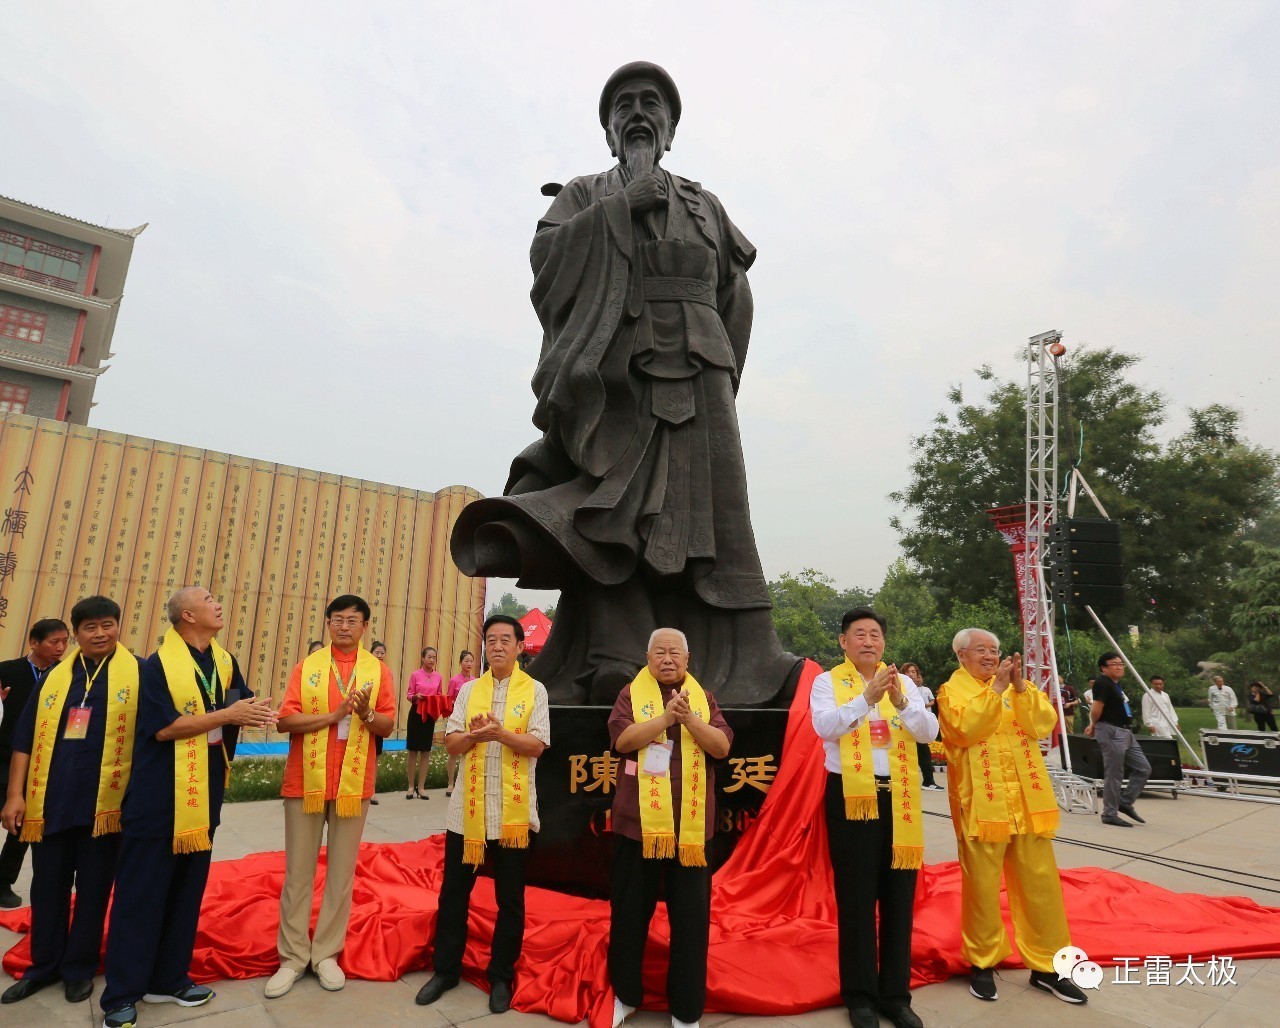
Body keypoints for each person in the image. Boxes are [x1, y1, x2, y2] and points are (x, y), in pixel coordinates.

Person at [450, 61, 800, 707]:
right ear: (610, 131)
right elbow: (546, 263)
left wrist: (723, 369)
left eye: (651, 104)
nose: (638, 112)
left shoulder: (705, 203)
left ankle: (747, 657)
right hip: (614, 377)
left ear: (669, 128)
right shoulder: (584, 193)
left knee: (713, 515)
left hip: (700, 373)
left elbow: (735, 293)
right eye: (625, 106)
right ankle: (614, 652)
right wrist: (618, 212)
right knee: (611, 510)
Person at [99, 588, 276, 1028]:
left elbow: (242, 705)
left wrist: (271, 714)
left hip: (203, 802)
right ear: (187, 614)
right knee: (141, 897)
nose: (218, 604)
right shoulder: (158, 666)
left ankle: (168, 979)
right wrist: (228, 715)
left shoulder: (223, 660)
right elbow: (164, 729)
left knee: (185, 894)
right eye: (209, 598)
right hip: (158, 802)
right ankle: (122, 993)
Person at [0, 597, 139, 1007]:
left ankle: (78, 969)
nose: (100, 634)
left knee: (94, 891)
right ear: (76, 634)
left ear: (118, 627)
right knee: (47, 889)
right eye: (90, 627)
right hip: (51, 805)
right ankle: (43, 967)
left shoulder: (139, 674)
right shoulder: (56, 679)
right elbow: (24, 739)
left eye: (107, 625)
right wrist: (14, 796)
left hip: (105, 809)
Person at [937, 629, 1087, 1006]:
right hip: (981, 806)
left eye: (995, 650)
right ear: (961, 656)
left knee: (1041, 886)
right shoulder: (951, 691)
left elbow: (1042, 724)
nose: (990, 657)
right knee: (983, 888)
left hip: (1026, 802)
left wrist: (1019, 688)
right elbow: (965, 729)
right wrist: (996, 690)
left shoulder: (1017, 687)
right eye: (981, 651)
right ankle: (982, 964)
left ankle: (1049, 967)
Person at [415, 615, 550, 1014]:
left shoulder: (535, 690)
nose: (497, 646)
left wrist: (501, 734)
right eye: (491, 640)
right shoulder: (469, 690)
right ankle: (446, 970)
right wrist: (474, 736)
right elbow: (453, 745)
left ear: (520, 646)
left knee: (510, 899)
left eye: (506, 639)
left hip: (513, 814)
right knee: (454, 893)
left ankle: (501, 977)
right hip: (466, 814)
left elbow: (538, 744)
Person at [264, 595, 395, 1000]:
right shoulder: (308, 669)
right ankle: (291, 957)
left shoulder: (378, 672)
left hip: (353, 786)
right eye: (337, 619)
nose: (344, 626)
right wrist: (335, 716)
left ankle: (325, 954)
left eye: (352, 620)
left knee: (341, 875)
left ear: (365, 626)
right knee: (298, 874)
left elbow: (388, 725)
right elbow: (285, 720)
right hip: (304, 783)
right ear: (327, 623)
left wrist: (366, 715)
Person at [811, 610, 938, 1028]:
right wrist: (866, 699)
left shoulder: (905, 686)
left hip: (899, 797)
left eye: (876, 634)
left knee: (900, 897)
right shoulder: (827, 683)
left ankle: (896, 996)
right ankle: (861, 996)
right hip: (852, 796)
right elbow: (825, 728)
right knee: (857, 897)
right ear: (843, 642)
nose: (869, 641)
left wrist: (901, 700)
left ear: (884, 642)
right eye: (859, 634)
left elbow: (928, 733)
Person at [607, 628, 732, 1028]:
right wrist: (664, 718)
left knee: (691, 920)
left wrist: (689, 718)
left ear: (687, 658)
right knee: (629, 914)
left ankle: (686, 1010)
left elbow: (721, 747)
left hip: (692, 831)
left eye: (674, 652)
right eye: (659, 652)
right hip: (637, 826)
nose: (667, 659)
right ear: (647, 656)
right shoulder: (630, 694)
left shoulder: (704, 698)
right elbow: (623, 740)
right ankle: (625, 995)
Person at [0, 618, 69, 909]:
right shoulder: (7, 671)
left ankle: (3, 881)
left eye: (65, 642)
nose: (61, 648)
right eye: (55, 642)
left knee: (23, 825)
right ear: (34, 642)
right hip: (2, 757)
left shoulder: (66, 677)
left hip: (40, 763)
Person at [1086, 652, 1151, 828]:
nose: (1119, 666)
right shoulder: (1102, 683)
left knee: (1143, 768)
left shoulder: (1114, 685)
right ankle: (1109, 813)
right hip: (1111, 731)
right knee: (1115, 774)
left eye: (1121, 663)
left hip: (1125, 732)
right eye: (1114, 664)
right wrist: (1094, 724)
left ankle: (1125, 801)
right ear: (1104, 668)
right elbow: (1096, 708)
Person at [405, 646, 442, 799]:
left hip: (429, 715)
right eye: (429, 657)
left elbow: (439, 695)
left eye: (434, 657)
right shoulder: (415, 675)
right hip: (416, 713)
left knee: (426, 751)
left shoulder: (438, 676)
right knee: (413, 751)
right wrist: (415, 696)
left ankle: (421, 787)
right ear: (422, 658)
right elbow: (409, 694)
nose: (432, 660)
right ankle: (410, 786)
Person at [899, 662, 942, 791]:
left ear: (918, 675)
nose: (911, 674)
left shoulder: (923, 690)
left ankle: (928, 781)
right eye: (908, 672)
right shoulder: (901, 687)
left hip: (920, 728)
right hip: (905, 728)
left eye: (913, 672)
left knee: (924, 755)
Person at [444, 651, 475, 796]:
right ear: (460, 663)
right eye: (466, 661)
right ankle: (451, 783)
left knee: (469, 751)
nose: (469, 664)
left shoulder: (476, 681)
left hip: (471, 719)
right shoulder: (454, 680)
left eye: (471, 661)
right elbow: (448, 699)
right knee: (454, 753)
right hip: (457, 719)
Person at [369, 641, 389, 805]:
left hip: (379, 719)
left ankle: (372, 790)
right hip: (363, 719)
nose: (380, 655)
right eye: (377, 652)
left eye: (382, 653)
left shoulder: (386, 673)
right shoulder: (365, 671)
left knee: (375, 756)